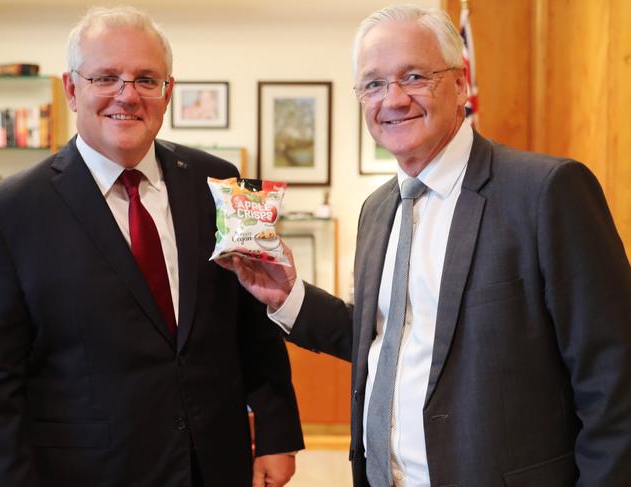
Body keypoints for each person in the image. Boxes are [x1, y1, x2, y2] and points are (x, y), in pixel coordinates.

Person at [219, 5, 631, 487]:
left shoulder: (545, 192)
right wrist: (288, 295)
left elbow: (614, 378)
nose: (392, 99)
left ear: (460, 84)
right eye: (373, 84)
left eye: (414, 76)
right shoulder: (377, 209)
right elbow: (385, 336)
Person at [0, 6, 303, 487]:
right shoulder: (6, 213)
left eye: (146, 80)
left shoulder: (222, 184)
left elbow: (250, 321)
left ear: (168, 92)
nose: (127, 96)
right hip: (85, 471)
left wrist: (277, 432)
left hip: (215, 463)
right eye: (106, 77)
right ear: (72, 89)